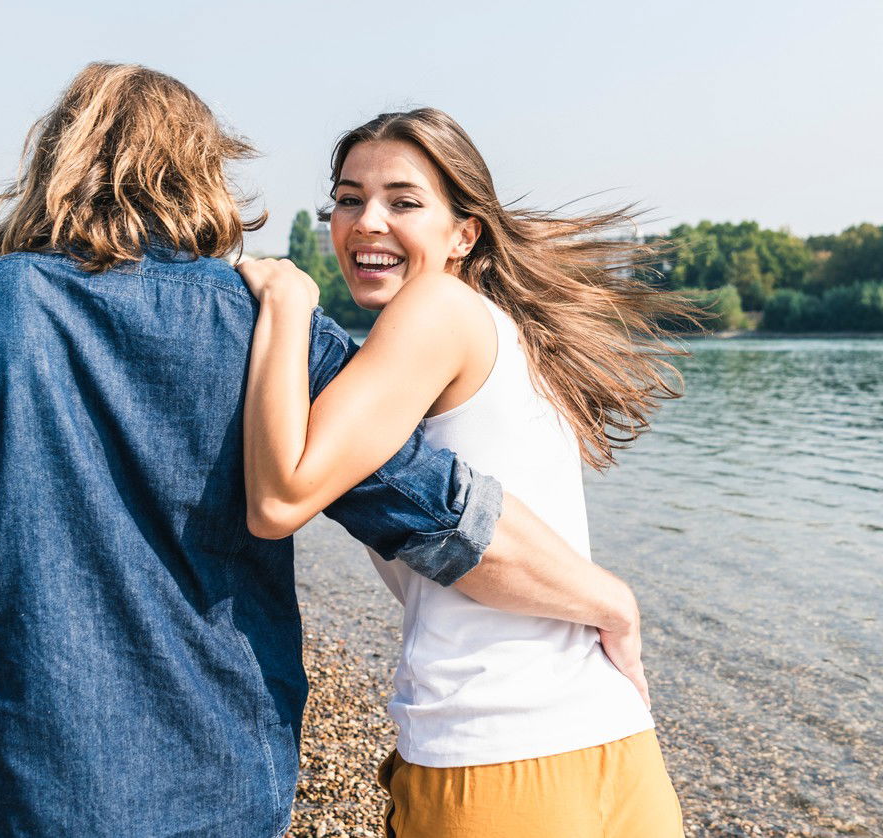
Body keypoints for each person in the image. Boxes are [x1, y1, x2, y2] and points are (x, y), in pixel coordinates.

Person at [0, 64, 644, 838]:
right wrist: (605, 599)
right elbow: (432, 510)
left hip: (16, 782)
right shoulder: (264, 324)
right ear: (202, 172)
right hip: (225, 783)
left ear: (51, 166)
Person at [235, 107, 692, 838]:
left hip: (497, 760)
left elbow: (279, 497)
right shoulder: (499, 328)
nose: (366, 222)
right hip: (613, 743)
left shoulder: (437, 307)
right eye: (349, 199)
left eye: (403, 201)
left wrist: (288, 306)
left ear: (463, 233)